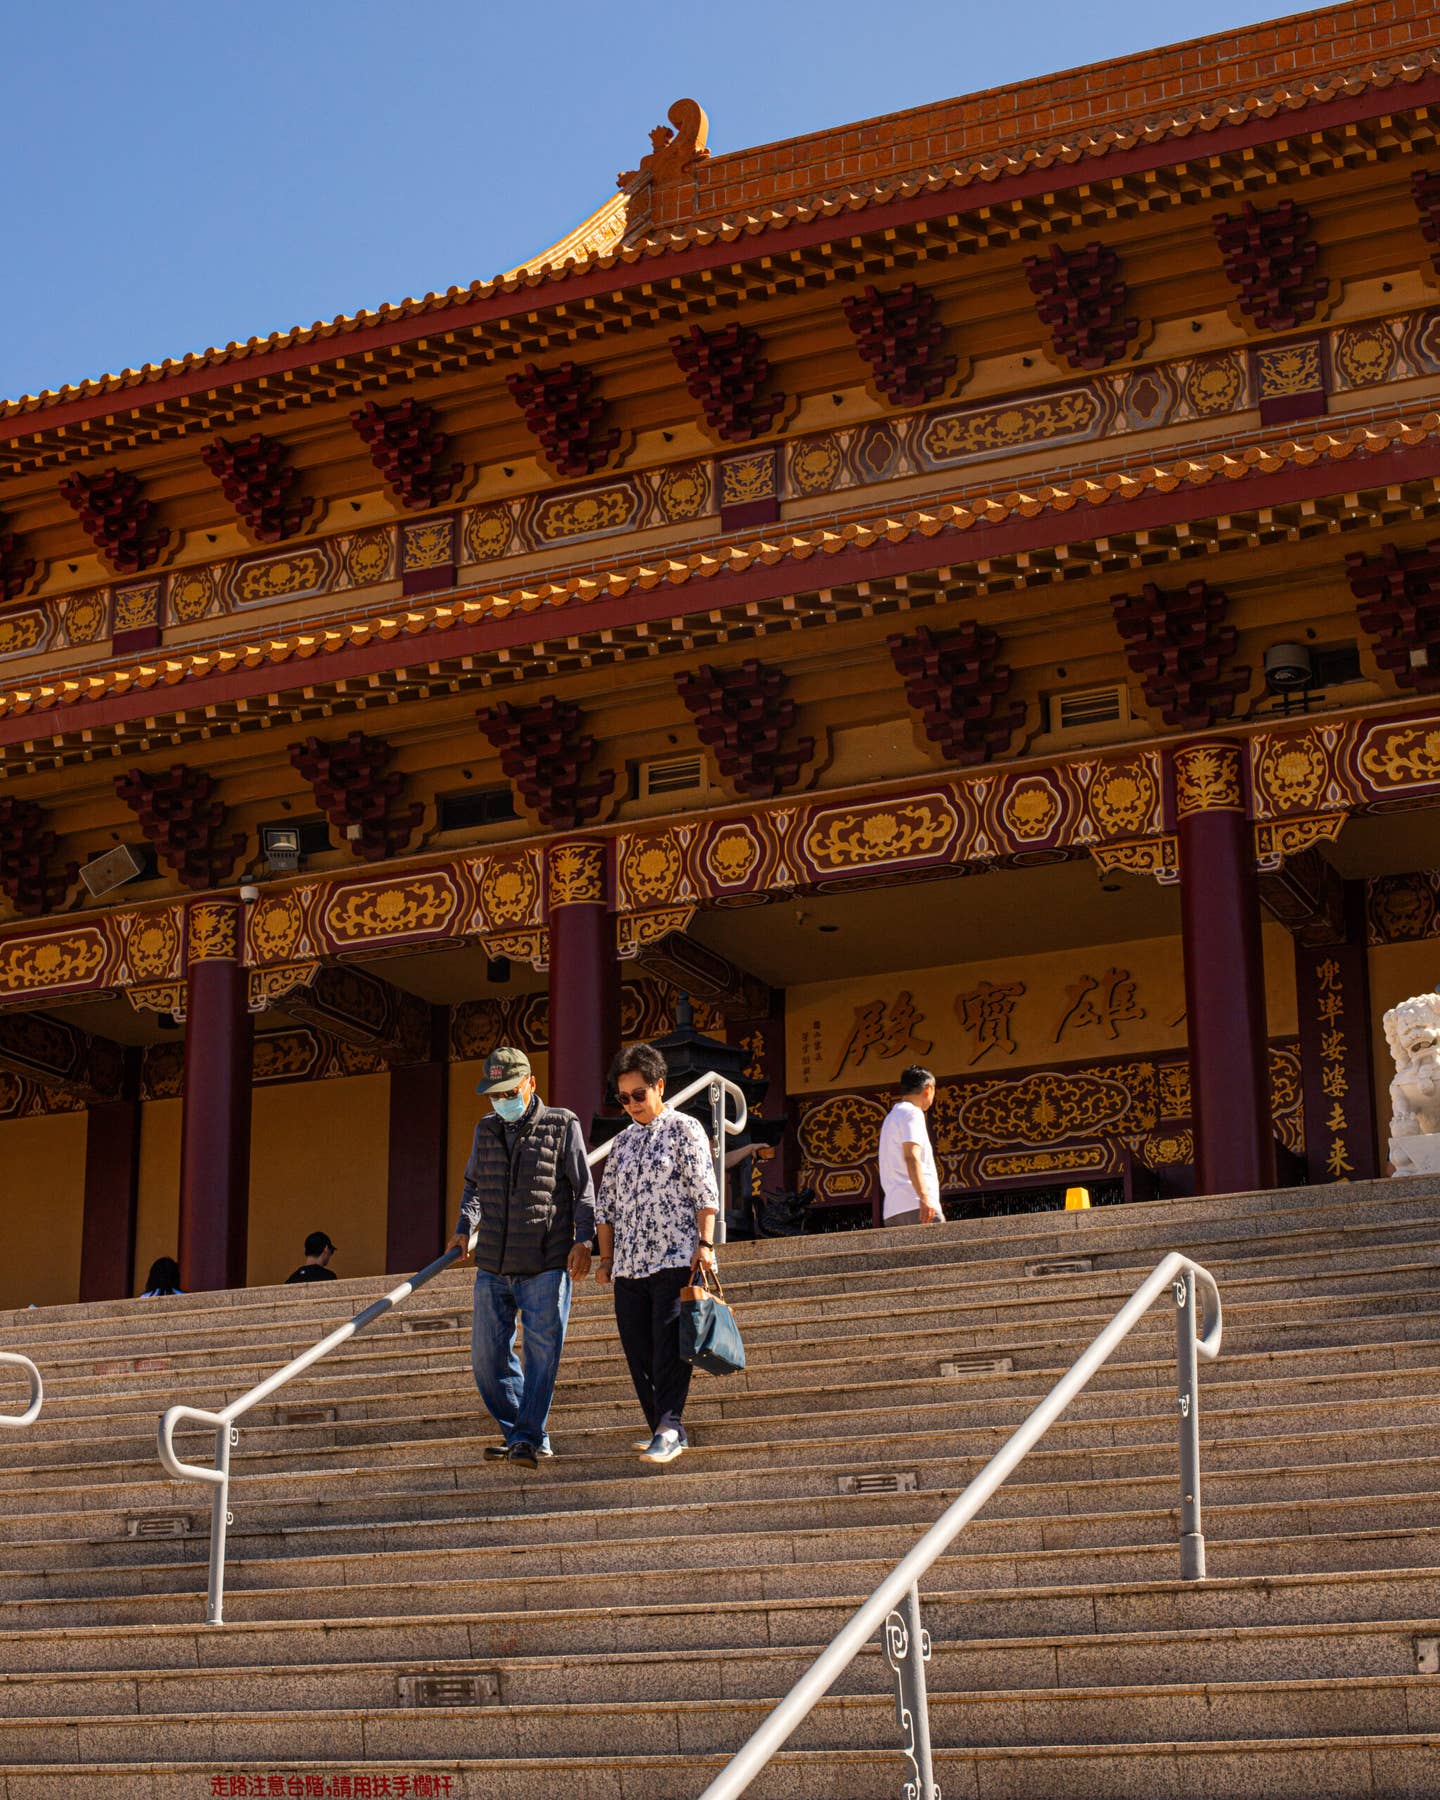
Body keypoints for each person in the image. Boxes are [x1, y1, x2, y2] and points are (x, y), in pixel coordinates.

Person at [444, 1046, 594, 1470]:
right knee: (486, 1360)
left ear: (530, 1083)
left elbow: (582, 1188)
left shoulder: (562, 1124)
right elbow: (474, 1186)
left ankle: (526, 1436)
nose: (501, 1100)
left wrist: (584, 1241)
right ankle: (523, 1435)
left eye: (508, 1091)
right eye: (493, 1094)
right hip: (491, 1262)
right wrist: (463, 1227)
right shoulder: (485, 1129)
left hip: (546, 1262)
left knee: (542, 1355)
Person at [594, 1042, 719, 1466]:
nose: (630, 1105)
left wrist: (705, 1245)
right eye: (622, 1098)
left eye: (638, 1095)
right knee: (638, 1352)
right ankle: (663, 1430)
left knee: (668, 1349)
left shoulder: (686, 1129)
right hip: (629, 1267)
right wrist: (606, 1260)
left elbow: (705, 1192)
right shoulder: (622, 1144)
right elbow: (606, 1207)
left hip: (675, 1260)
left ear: (659, 1086)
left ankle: (669, 1425)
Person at [878, 1065, 944, 1225]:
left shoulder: (890, 1118)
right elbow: (911, 1156)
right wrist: (924, 1197)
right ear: (928, 1089)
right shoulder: (912, 1113)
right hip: (917, 1206)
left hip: (892, 1209)